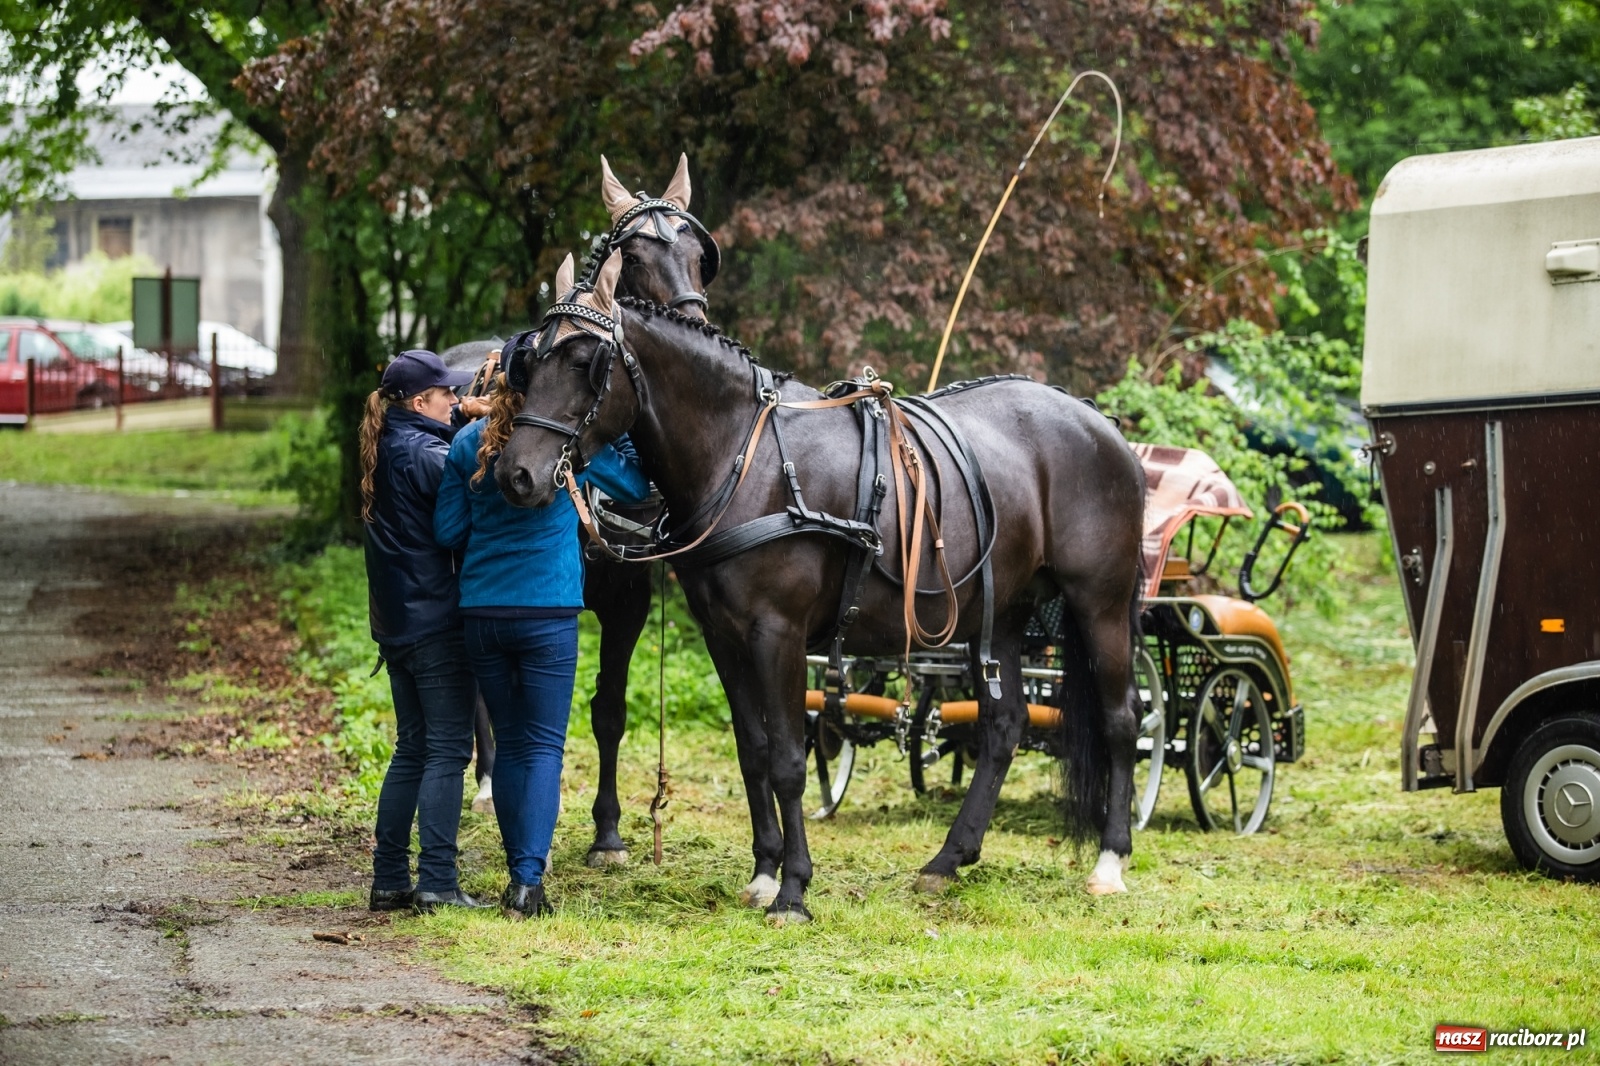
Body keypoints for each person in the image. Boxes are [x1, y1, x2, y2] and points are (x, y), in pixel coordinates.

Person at [434, 375, 649, 919]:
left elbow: (448, 531)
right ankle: (528, 884)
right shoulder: (571, 439)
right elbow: (634, 488)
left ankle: (517, 873)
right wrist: (617, 432)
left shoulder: (468, 443)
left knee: (508, 742)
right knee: (543, 749)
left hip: (482, 609)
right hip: (547, 611)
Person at [360, 349, 492, 914]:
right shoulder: (425, 454)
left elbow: (438, 445)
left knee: (411, 747)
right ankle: (438, 878)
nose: (456, 400)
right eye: (447, 395)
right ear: (421, 402)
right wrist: (494, 425)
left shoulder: (388, 441)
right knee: (447, 750)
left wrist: (466, 413)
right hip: (435, 621)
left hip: (397, 622)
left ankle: (390, 877)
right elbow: (475, 485)